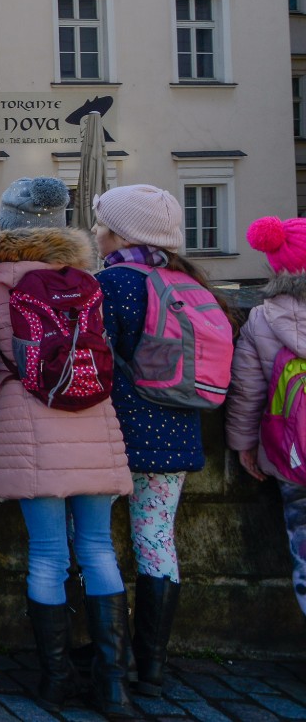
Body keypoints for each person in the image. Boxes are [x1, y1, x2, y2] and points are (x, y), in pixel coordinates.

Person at [0, 178, 134, 716]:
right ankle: (114, 686)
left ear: (8, 220)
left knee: (48, 554)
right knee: (97, 549)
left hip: (30, 422)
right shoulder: (89, 280)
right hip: (93, 419)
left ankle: (56, 681)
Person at [92, 184, 215, 696]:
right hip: (179, 429)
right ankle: (153, 664)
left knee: (97, 542)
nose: (96, 232)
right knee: (156, 538)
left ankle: (108, 651)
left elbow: (97, 356)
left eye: (102, 224)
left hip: (118, 434)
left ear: (120, 233)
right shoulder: (192, 283)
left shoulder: (112, 283)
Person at [233, 216, 306, 618]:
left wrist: (244, 445)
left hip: (295, 456)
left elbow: (248, 391)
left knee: (304, 548)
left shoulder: (262, 319)